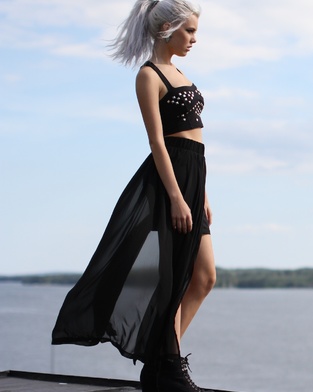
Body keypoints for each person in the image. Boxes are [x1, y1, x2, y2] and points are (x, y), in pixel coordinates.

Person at [51, 1, 216, 391]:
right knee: (172, 279)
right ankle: (168, 367)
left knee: (205, 277)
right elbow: (158, 142)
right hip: (169, 181)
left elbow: (196, 144)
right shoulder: (149, 75)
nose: (194, 39)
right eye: (189, 31)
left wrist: (202, 193)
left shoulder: (180, 72)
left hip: (194, 176)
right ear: (167, 29)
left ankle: (162, 361)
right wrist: (176, 196)